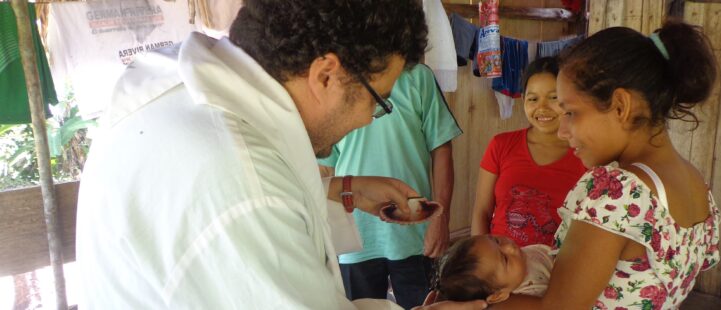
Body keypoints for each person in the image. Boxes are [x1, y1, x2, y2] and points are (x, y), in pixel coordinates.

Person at [75, 0, 486, 309]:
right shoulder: (241, 184)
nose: (370, 119)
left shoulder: (183, 83)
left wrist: (344, 188)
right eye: (379, 100)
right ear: (326, 76)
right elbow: (258, 205)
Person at [488, 20, 721, 309]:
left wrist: (467, 306)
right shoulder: (694, 182)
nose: (563, 131)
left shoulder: (618, 193)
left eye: (571, 113)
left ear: (621, 106)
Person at [318, 64, 463, 309]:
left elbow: (441, 148)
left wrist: (440, 218)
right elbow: (325, 171)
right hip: (355, 234)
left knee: (426, 305)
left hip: (415, 230)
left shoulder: (417, 77)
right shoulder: (335, 83)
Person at [471, 56, 586, 248]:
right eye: (533, 99)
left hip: (553, 270)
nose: (542, 108)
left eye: (553, 98)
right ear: (523, 100)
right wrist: (481, 263)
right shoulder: (501, 145)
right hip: (500, 267)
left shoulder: (585, 155)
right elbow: (482, 211)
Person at [433, 235, 555, 304]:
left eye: (496, 241)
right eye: (505, 259)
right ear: (498, 295)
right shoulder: (533, 291)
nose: (509, 247)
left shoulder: (520, 261)